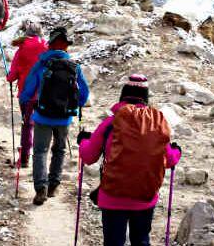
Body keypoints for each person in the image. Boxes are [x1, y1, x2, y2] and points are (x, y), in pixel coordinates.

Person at [78, 74, 181, 246]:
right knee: (141, 241)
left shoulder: (111, 123)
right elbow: (170, 159)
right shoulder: (156, 124)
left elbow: (88, 156)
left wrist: (83, 141)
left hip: (112, 197)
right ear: (145, 98)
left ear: (123, 95)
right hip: (145, 197)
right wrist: (177, 151)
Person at [20, 27, 89, 205]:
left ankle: (40, 189)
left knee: (40, 151)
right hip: (64, 117)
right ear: (66, 48)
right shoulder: (75, 67)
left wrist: (26, 101)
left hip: (42, 115)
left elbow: (29, 87)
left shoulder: (42, 64)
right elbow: (84, 92)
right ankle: (53, 185)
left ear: (50, 46)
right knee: (59, 150)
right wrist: (77, 105)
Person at [7, 20, 48, 168]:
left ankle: (24, 158)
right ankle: (41, 158)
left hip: (27, 94)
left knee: (27, 125)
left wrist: (9, 76)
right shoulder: (47, 46)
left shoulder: (22, 48)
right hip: (46, 94)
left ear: (27, 33)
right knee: (42, 125)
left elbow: (12, 75)